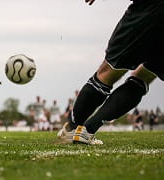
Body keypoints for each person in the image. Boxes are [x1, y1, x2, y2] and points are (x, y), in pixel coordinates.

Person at [58, 0, 164, 145]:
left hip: (150, 9)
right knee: (144, 76)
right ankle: (87, 131)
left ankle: (72, 128)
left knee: (107, 72)